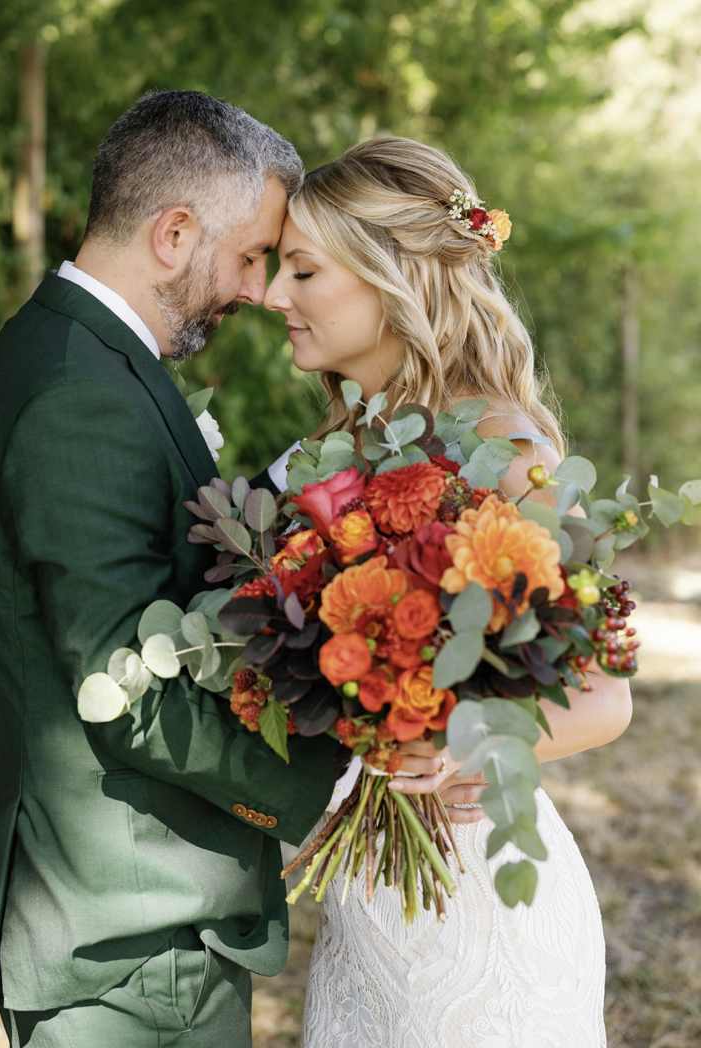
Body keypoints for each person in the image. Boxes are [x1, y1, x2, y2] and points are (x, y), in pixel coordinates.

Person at [0, 92, 448, 1048]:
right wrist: (338, 782)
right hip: (129, 934)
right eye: (253, 256)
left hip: (123, 920)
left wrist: (314, 496)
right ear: (174, 233)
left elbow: (168, 571)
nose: (260, 291)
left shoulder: (79, 356)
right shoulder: (78, 394)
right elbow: (125, 689)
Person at [264, 135, 633, 1047]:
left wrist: (473, 742)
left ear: (393, 277)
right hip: (365, 922)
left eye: (303, 271)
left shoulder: (510, 454)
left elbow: (606, 698)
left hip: (481, 906)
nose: (274, 296)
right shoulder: (336, 451)